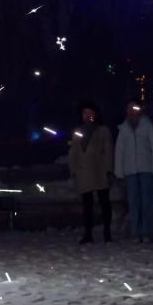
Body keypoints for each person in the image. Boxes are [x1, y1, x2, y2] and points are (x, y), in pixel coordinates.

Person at [114, 98, 153, 243]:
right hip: (130, 171)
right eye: (129, 109)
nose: (132, 111)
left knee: (147, 201)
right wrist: (119, 170)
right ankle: (136, 232)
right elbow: (119, 151)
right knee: (134, 202)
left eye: (134, 108)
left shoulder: (147, 125)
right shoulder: (123, 129)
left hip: (146, 168)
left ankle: (147, 232)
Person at [69, 103, 114, 244]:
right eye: (85, 113)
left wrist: (109, 170)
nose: (87, 116)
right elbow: (74, 150)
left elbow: (109, 151)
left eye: (90, 113)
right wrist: (73, 169)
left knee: (104, 203)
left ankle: (107, 232)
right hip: (84, 171)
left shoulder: (103, 130)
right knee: (87, 204)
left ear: (96, 114)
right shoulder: (78, 130)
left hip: (99, 170)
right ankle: (88, 233)